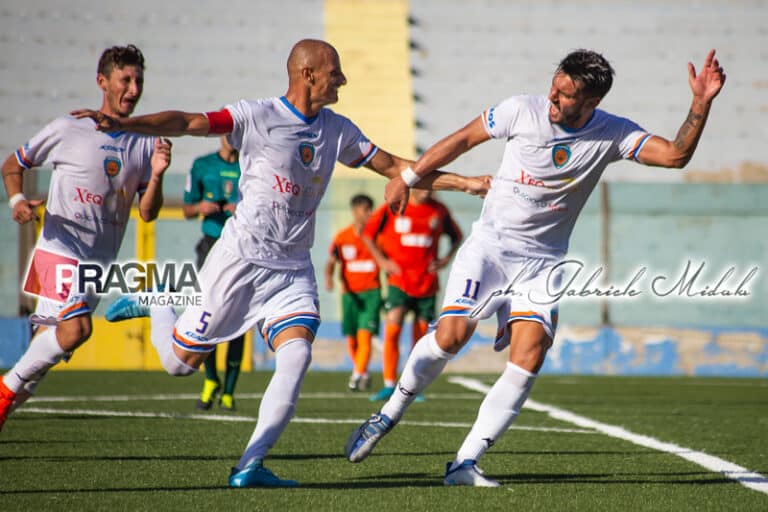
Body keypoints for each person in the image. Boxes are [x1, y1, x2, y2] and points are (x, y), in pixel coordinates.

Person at [72, 39, 489, 488]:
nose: (343, 79)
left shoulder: (338, 130)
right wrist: (128, 123)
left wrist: (465, 183)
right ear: (308, 74)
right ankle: (159, 303)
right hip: (239, 261)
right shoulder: (256, 115)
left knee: (296, 355)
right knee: (179, 364)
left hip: (291, 269)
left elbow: (398, 168)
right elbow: (190, 121)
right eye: (336, 72)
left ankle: (248, 466)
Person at [345, 49, 726, 486]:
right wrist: (408, 179)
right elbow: (461, 140)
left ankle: (465, 464)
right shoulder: (520, 110)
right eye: (554, 85)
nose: (553, 97)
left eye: (565, 95)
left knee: (529, 355)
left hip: (542, 262)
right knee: (452, 335)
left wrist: (701, 103)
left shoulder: (613, 134)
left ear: (590, 103)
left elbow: (675, 155)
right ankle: (390, 411)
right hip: (490, 248)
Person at [0, 45, 172, 430]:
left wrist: (158, 173)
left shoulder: (143, 141)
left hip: (96, 266)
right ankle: (2, 392)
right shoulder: (68, 128)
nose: (133, 88)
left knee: (40, 365)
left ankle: (5, 400)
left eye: (138, 80)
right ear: (102, 82)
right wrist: (16, 201)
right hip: (57, 249)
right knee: (76, 331)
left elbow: (148, 212)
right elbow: (12, 164)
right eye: (125, 79)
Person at [364, 188, 462, 402]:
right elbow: (368, 234)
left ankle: (411, 386)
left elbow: (457, 236)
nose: (427, 191)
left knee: (420, 337)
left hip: (426, 283)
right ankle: (389, 383)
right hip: (399, 281)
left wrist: (445, 260)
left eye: (431, 186)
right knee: (393, 326)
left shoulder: (439, 210)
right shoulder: (394, 207)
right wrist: (382, 261)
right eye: (423, 185)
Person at [183, 136, 244, 411]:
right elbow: (186, 209)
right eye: (227, 133)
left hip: (243, 249)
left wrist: (241, 209)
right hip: (210, 246)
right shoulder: (202, 165)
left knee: (238, 319)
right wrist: (200, 208)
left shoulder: (252, 165)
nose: (232, 139)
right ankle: (210, 380)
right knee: (207, 313)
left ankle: (229, 391)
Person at [325, 193, 380, 392]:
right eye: (366, 209)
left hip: (371, 293)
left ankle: (356, 375)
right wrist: (329, 278)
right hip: (349, 294)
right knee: (352, 338)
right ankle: (363, 372)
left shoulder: (376, 236)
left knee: (365, 335)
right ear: (355, 211)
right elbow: (331, 261)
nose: (369, 213)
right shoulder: (342, 237)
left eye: (371, 209)